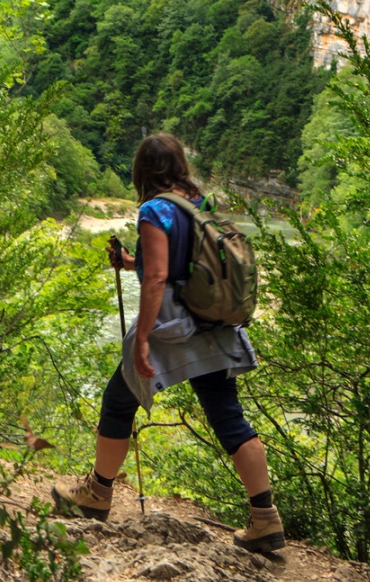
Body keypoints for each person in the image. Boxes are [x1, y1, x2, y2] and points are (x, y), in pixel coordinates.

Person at [52, 131, 285, 553]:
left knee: (118, 401)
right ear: (179, 167)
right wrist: (129, 262)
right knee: (229, 418)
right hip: (213, 325)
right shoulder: (200, 204)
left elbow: (159, 277)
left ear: (143, 171)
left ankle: (97, 494)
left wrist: (142, 339)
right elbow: (181, 262)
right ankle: (266, 519)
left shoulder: (154, 209)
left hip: (175, 330)